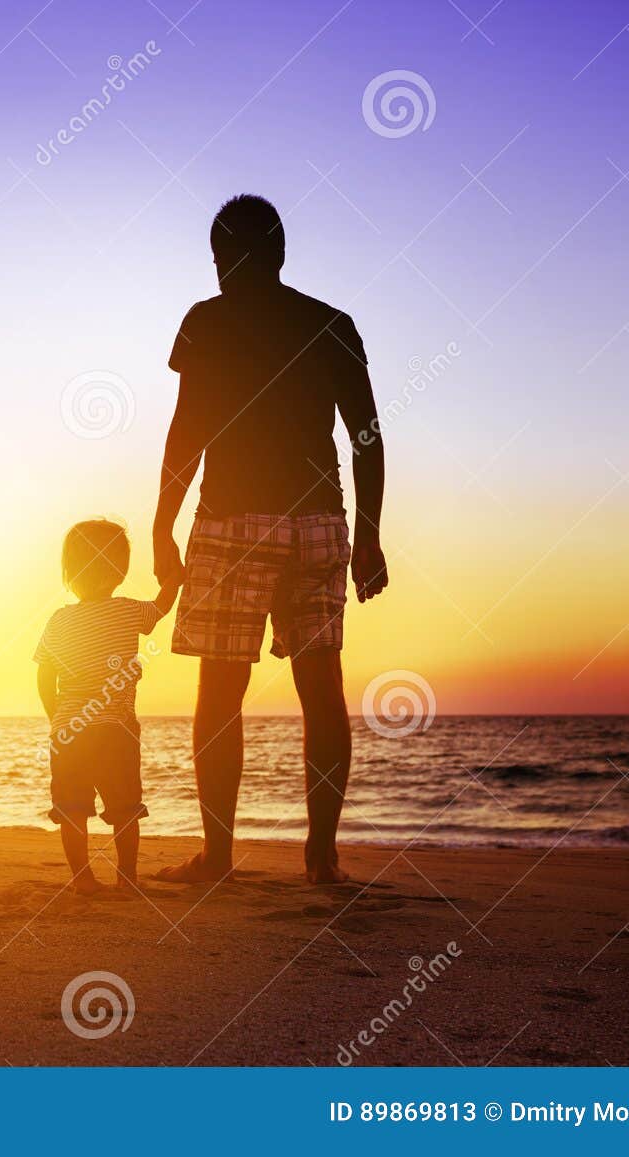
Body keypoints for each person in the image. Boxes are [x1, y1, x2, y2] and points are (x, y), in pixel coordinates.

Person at [151, 194, 389, 887]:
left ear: (222, 259)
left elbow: (186, 430)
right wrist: (369, 535)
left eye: (221, 258)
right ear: (282, 253)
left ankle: (219, 857)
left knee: (221, 690)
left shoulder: (207, 321)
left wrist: (163, 524)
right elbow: (366, 437)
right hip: (319, 520)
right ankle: (322, 857)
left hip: (233, 520)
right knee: (322, 686)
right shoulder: (330, 322)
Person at [35, 520, 179, 895]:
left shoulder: (59, 620)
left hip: (69, 732)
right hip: (115, 730)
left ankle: (82, 878)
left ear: (69, 571)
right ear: (119, 571)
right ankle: (127, 877)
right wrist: (176, 579)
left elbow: (44, 677)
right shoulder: (128, 611)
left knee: (72, 807)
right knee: (125, 807)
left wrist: (58, 719)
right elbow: (162, 607)